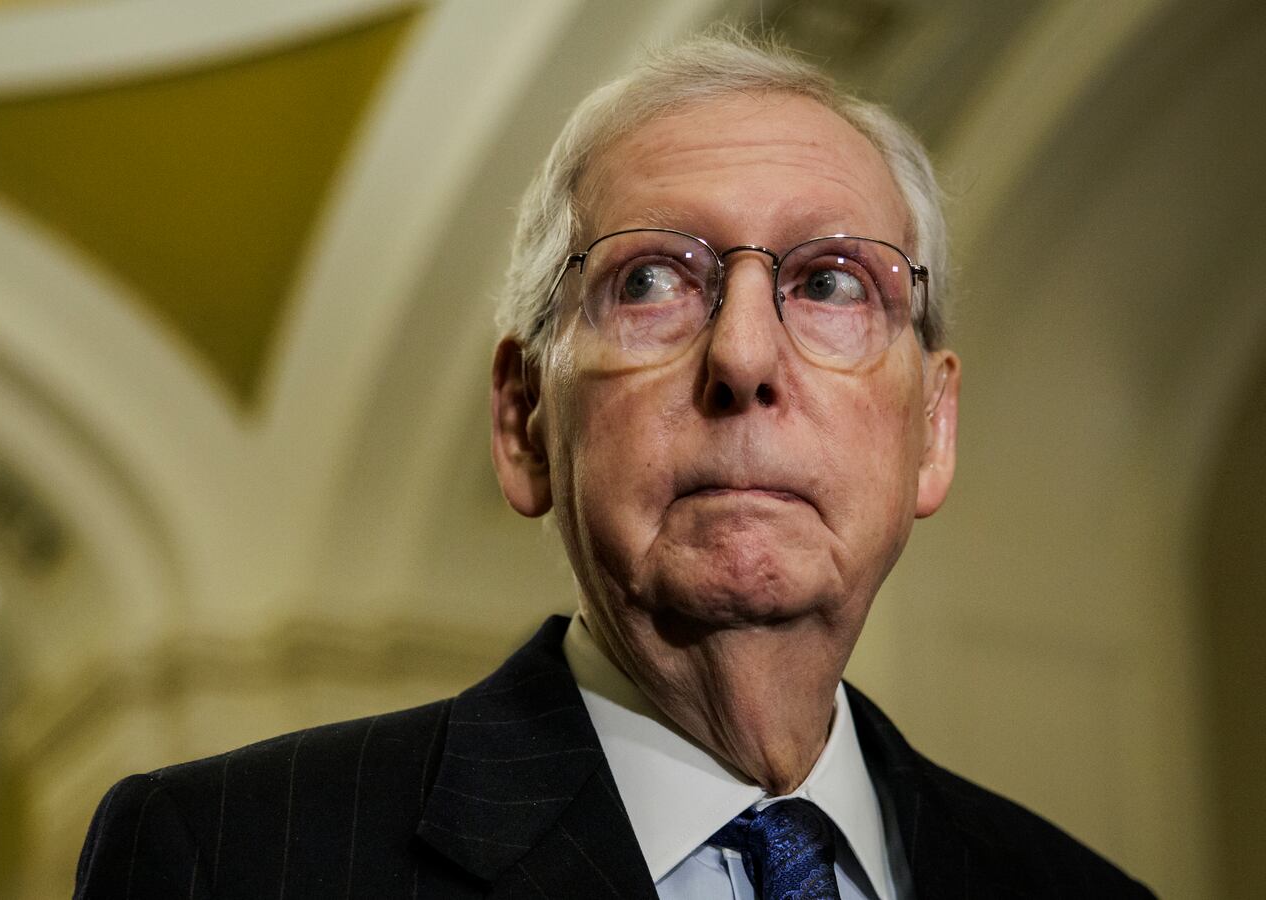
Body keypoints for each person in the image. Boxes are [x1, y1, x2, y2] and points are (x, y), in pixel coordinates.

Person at [73, 30, 1155, 899]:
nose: (741, 356)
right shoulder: (229, 860)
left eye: (830, 284)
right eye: (650, 282)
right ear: (523, 423)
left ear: (933, 428)